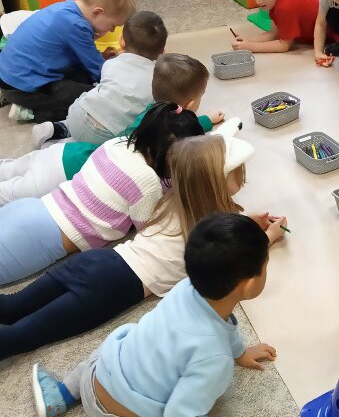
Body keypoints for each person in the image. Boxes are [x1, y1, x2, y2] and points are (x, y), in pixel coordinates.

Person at [0, 123, 287, 359]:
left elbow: (220, 222)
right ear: (218, 183)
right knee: (21, 336)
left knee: (12, 306)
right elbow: (240, 259)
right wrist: (268, 237)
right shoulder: (210, 233)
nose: (244, 177)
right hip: (112, 287)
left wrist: (249, 221)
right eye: (239, 173)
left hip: (99, 260)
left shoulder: (175, 200)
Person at [32, 213, 276, 417]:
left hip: (93, 378)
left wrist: (240, 352)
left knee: (121, 341)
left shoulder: (186, 287)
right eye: (265, 265)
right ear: (249, 284)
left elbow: (224, 324)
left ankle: (63, 393)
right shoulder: (215, 359)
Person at [0, 103, 204, 285]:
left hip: (36, 207)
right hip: (45, 235)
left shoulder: (119, 144)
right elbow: (149, 227)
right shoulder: (147, 181)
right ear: (170, 154)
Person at [0, 54, 216, 207]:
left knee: (10, 168)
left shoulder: (148, 113)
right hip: (67, 172)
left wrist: (205, 120)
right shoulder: (165, 134)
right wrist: (203, 123)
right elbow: (184, 137)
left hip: (67, 152)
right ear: (190, 104)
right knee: (9, 193)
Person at [0, 0, 135, 123]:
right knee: (93, 98)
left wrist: (100, 56)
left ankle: (31, 103)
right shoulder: (77, 26)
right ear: (97, 13)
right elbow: (99, 71)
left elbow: (80, 58)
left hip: (13, 77)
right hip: (22, 88)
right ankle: (31, 112)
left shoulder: (66, 9)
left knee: (81, 77)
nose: (112, 30)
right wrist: (123, 78)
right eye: (113, 26)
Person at [32, 11, 168, 147]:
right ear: (162, 51)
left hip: (79, 115)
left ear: (121, 41)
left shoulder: (112, 63)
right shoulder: (160, 79)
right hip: (106, 135)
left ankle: (59, 128)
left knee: (96, 94)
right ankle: (62, 144)